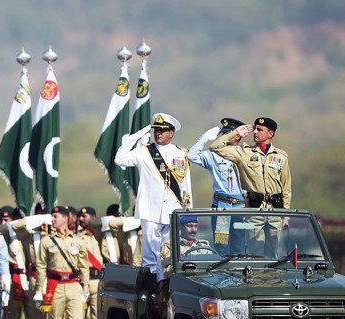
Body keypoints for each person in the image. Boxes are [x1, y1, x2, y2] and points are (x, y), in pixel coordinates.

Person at [115, 113, 192, 289]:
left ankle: (165, 285)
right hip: (150, 210)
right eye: (156, 130)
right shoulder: (144, 151)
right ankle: (150, 288)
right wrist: (134, 136)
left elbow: (186, 185)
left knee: (168, 252)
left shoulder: (181, 153)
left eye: (163, 130)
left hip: (173, 209)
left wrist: (188, 211)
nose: (158, 133)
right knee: (149, 253)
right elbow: (119, 159)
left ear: (171, 133)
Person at [211, 117, 291, 257]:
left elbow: (286, 187)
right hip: (255, 210)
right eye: (254, 128)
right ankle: (258, 278)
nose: (255, 132)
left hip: (275, 210)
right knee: (256, 253)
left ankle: (271, 278)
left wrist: (286, 215)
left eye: (259, 130)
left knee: (274, 255)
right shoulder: (244, 153)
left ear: (270, 134)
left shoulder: (281, 156)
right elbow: (216, 147)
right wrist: (235, 132)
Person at [34, 206, 92, 319]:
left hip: (73, 284)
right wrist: (39, 289)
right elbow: (41, 267)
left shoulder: (78, 240)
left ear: (65, 219)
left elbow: (84, 266)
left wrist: (86, 288)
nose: (52, 219)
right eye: (52, 216)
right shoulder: (47, 241)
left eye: (55, 216)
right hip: (55, 285)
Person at [188, 118, 246, 255]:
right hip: (222, 207)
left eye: (228, 134)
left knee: (240, 245)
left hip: (241, 207)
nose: (224, 137)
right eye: (223, 134)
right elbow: (192, 155)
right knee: (222, 246)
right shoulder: (213, 155)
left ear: (237, 135)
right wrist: (205, 138)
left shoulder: (245, 153)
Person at [77, 206, 104, 319]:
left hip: (99, 280)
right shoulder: (77, 237)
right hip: (83, 283)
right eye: (80, 216)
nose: (81, 219)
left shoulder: (101, 234)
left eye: (85, 216)